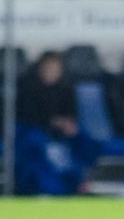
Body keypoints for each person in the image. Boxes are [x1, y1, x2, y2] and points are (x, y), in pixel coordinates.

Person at [15, 51, 100, 195]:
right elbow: (27, 116)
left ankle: (80, 179)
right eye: (47, 68)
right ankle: (50, 186)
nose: (50, 72)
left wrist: (69, 126)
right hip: (35, 134)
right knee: (36, 144)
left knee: (86, 141)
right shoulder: (27, 89)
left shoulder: (66, 90)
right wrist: (54, 122)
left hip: (60, 135)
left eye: (54, 69)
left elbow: (71, 115)